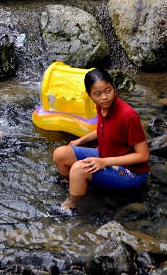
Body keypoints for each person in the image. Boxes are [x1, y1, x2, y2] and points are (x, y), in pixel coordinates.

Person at [52, 68, 150, 211]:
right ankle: (71, 183)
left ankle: (71, 206)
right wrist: (82, 140)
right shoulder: (102, 106)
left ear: (114, 87)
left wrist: (104, 162)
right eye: (97, 94)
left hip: (131, 172)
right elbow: (105, 128)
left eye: (108, 90)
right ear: (90, 95)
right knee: (60, 154)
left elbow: (143, 155)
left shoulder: (128, 116)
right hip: (104, 155)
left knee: (79, 169)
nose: (104, 97)